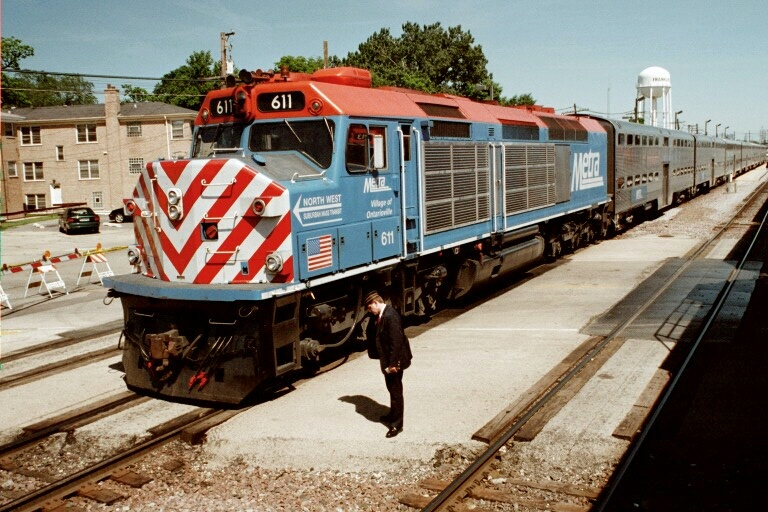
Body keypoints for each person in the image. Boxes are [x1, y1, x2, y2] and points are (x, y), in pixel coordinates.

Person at [365, 291, 412, 438]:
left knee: (396, 392)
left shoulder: (390, 317)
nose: (370, 312)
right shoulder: (382, 315)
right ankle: (393, 414)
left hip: (394, 361)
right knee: (392, 389)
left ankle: (396, 425)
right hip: (388, 360)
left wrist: (393, 364)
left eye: (370, 308)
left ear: (376, 303)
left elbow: (396, 342)